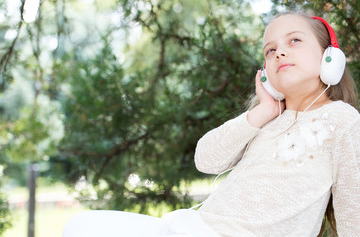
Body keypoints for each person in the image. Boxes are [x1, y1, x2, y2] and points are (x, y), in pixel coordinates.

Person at [63, 12, 360, 237]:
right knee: (80, 226)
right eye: (270, 50)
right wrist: (263, 112)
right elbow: (206, 159)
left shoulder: (342, 120)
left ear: (330, 58)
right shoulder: (266, 120)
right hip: (194, 228)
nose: (279, 52)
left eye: (294, 40)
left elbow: (353, 210)